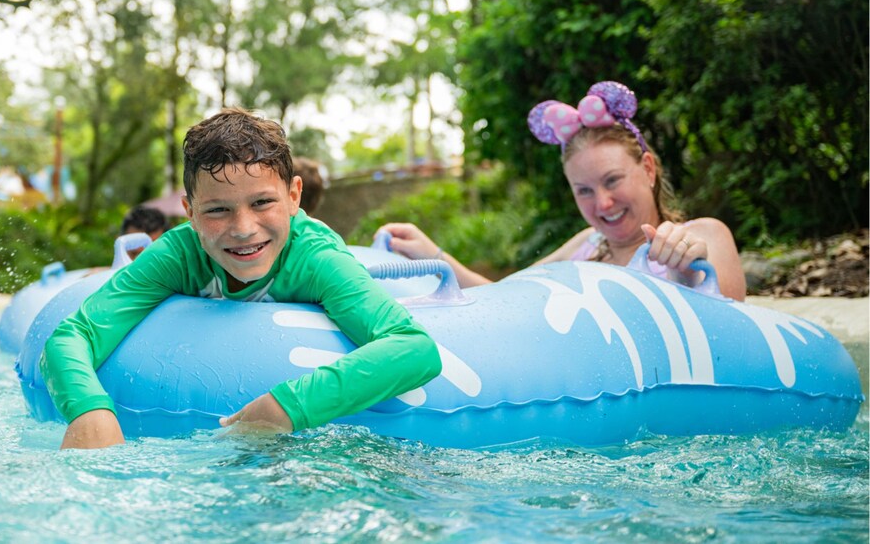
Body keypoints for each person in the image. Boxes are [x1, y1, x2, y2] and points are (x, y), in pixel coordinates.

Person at [42, 107, 443, 449]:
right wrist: (88, 409)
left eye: (263, 202)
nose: (243, 228)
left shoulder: (317, 259)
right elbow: (73, 336)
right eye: (217, 210)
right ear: (190, 211)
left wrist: (284, 407)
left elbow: (415, 348)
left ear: (294, 195)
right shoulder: (180, 254)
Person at [377, 81, 746, 301]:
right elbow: (504, 295)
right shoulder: (585, 245)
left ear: (647, 169)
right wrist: (435, 255)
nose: (602, 202)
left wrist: (686, 272)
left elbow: (733, 341)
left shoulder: (703, 235)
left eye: (612, 180)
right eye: (583, 190)